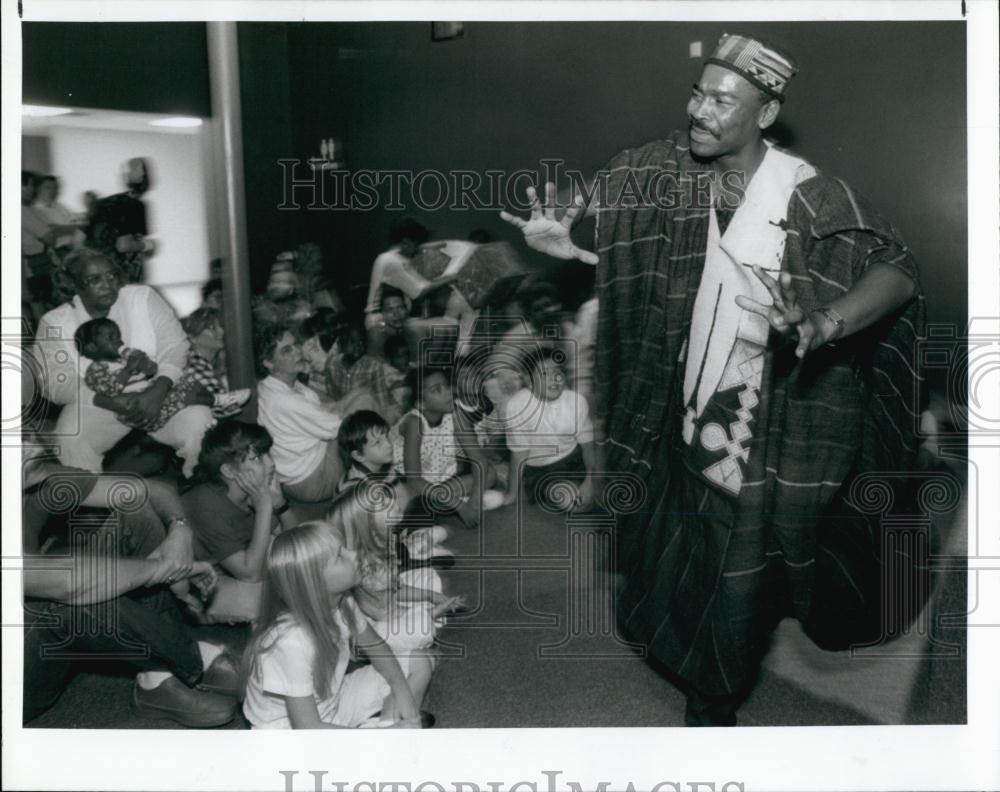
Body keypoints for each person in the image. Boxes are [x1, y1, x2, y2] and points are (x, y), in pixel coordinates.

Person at [501, 33, 924, 725]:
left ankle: (716, 699)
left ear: (764, 113)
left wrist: (826, 324)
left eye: (721, 100)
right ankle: (697, 656)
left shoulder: (806, 193)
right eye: (697, 92)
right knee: (678, 548)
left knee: (740, 573)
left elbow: (898, 269)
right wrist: (570, 245)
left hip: (761, 427)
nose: (699, 109)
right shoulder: (671, 173)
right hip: (681, 408)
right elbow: (636, 244)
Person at [22, 443, 238, 726]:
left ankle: (157, 680)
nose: (35, 447)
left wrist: (179, 532)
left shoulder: (30, 476)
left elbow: (147, 490)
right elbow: (68, 584)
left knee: (138, 514)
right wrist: (163, 568)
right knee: (64, 601)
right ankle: (192, 658)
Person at [34, 248, 215, 477]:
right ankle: (92, 503)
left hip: (159, 391)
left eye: (111, 276)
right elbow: (54, 382)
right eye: (94, 280)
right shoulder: (54, 323)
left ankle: (200, 489)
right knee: (70, 435)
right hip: (100, 399)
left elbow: (175, 345)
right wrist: (112, 400)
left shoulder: (142, 297)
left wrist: (157, 392)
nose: (108, 285)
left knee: (200, 421)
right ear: (72, 284)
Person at [240, 520, 425, 729]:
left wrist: (408, 707)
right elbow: (308, 728)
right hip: (293, 733)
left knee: (419, 659)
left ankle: (390, 724)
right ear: (315, 582)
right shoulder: (290, 642)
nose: (354, 554)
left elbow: (378, 648)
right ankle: (385, 734)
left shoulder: (344, 601)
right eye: (340, 555)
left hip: (333, 703)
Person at [328, 480, 461, 712]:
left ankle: (422, 625)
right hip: (373, 628)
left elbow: (397, 588)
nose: (392, 502)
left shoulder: (385, 542)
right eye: (382, 504)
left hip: (391, 607)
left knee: (428, 575)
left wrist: (429, 595)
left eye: (388, 498)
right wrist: (427, 604)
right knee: (418, 630)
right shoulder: (363, 567)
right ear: (366, 524)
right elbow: (379, 606)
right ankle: (425, 624)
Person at [181, 422, 296, 623]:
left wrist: (282, 505)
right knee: (266, 599)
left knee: (304, 559)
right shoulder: (207, 505)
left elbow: (296, 539)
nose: (271, 464)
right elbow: (250, 575)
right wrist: (264, 509)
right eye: (258, 458)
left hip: (235, 561)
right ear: (230, 471)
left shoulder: (253, 490)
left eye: (268, 454)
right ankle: (202, 616)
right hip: (197, 581)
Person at [391, 366, 504, 526]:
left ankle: (453, 501)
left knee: (490, 472)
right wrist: (459, 506)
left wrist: (475, 501)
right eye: (437, 390)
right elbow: (414, 479)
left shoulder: (456, 413)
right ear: (421, 404)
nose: (448, 392)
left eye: (446, 385)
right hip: (410, 482)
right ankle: (451, 503)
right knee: (409, 500)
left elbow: (478, 458)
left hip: (442, 475)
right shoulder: (414, 422)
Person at [74, 317, 227, 432]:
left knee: (186, 381)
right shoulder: (95, 370)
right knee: (185, 393)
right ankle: (218, 402)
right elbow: (109, 389)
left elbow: (153, 371)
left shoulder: (123, 360)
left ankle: (217, 400)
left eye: (118, 336)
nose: (118, 341)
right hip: (139, 412)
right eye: (110, 338)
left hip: (153, 398)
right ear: (92, 347)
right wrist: (127, 370)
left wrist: (144, 362)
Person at [502, 348, 596, 511]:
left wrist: (590, 479)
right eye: (544, 374)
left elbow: (588, 446)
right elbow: (519, 454)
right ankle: (504, 475)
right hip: (541, 469)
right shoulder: (516, 406)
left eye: (557, 372)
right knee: (573, 503)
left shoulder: (577, 401)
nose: (554, 378)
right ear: (529, 381)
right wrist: (511, 494)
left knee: (601, 490)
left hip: (574, 458)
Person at [88, 157, 154, 284]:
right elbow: (124, 245)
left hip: (99, 272)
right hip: (125, 275)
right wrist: (148, 245)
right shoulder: (135, 205)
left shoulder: (104, 203)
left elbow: (79, 240)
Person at [181, 307, 250, 418]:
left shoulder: (211, 363)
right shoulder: (195, 364)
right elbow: (225, 406)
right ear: (193, 338)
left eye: (222, 326)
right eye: (211, 328)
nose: (221, 332)